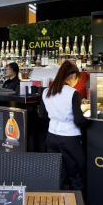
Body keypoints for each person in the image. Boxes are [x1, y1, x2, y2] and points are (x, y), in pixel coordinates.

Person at [37, 61, 88, 193]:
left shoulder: (47, 91)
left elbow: (42, 115)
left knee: (56, 175)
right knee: (76, 176)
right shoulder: (73, 93)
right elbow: (79, 120)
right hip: (70, 139)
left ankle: (56, 202)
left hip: (52, 137)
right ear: (73, 76)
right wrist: (88, 121)